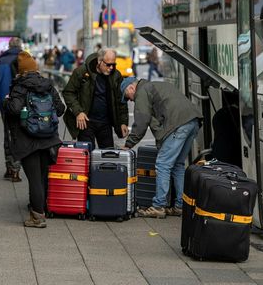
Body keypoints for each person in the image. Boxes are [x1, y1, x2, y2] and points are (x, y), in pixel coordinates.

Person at [121, 77, 202, 218]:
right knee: (178, 164)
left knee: (163, 164)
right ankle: (181, 206)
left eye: (129, 97)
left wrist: (128, 145)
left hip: (179, 124)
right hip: (192, 121)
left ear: (131, 88)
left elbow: (141, 122)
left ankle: (158, 206)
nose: (131, 101)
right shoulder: (155, 85)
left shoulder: (142, 92)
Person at [3, 51, 65, 228]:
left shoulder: (20, 86)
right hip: (49, 138)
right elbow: (60, 109)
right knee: (43, 176)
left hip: (27, 139)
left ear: (21, 70)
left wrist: (6, 102)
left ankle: (37, 217)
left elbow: (14, 110)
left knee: (34, 179)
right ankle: (40, 208)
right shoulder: (48, 85)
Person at [63, 48, 129, 149]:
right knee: (87, 155)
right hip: (86, 123)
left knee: (108, 155)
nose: (111, 68)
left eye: (114, 64)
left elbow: (121, 100)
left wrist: (123, 122)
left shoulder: (116, 75)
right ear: (99, 61)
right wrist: (78, 112)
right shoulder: (82, 72)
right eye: (108, 64)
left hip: (106, 123)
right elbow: (68, 93)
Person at [0, 37, 23, 182]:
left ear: (9, 46)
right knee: (20, 134)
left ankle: (10, 167)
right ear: (20, 46)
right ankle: (16, 169)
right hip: (23, 103)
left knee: (8, 132)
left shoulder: (0, 61)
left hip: (5, 103)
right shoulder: (25, 59)